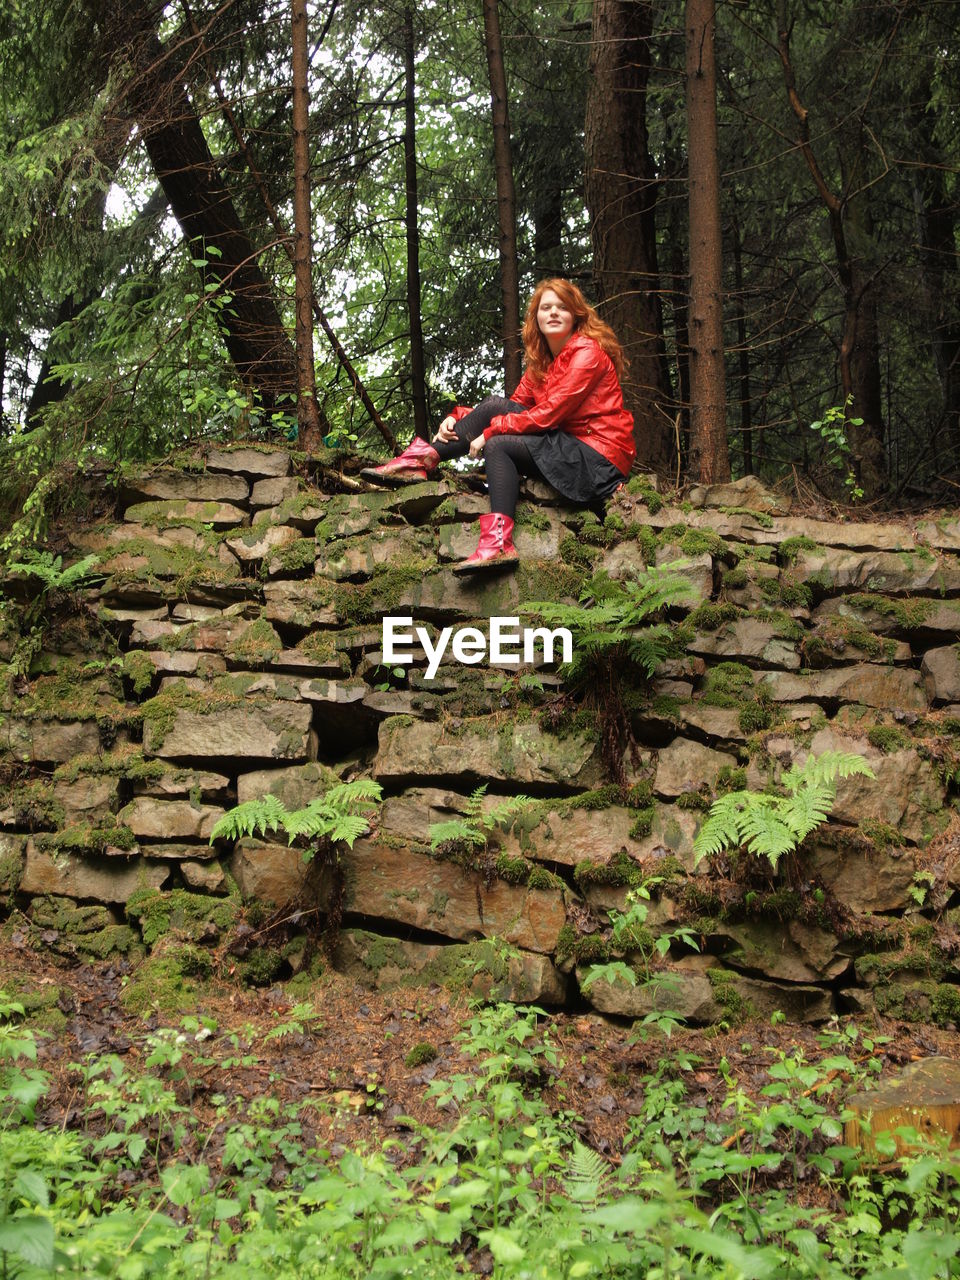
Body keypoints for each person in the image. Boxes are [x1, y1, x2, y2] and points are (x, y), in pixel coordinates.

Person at [362, 278, 636, 572]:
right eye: (546, 308)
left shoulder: (587, 354)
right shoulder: (541, 364)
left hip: (598, 461)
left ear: (576, 315)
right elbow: (511, 406)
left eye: (562, 307)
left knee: (496, 431)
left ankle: (420, 460)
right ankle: (498, 544)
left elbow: (548, 415)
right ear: (537, 318)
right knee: (498, 444)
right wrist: (458, 417)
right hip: (567, 450)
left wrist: (490, 428)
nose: (554, 313)